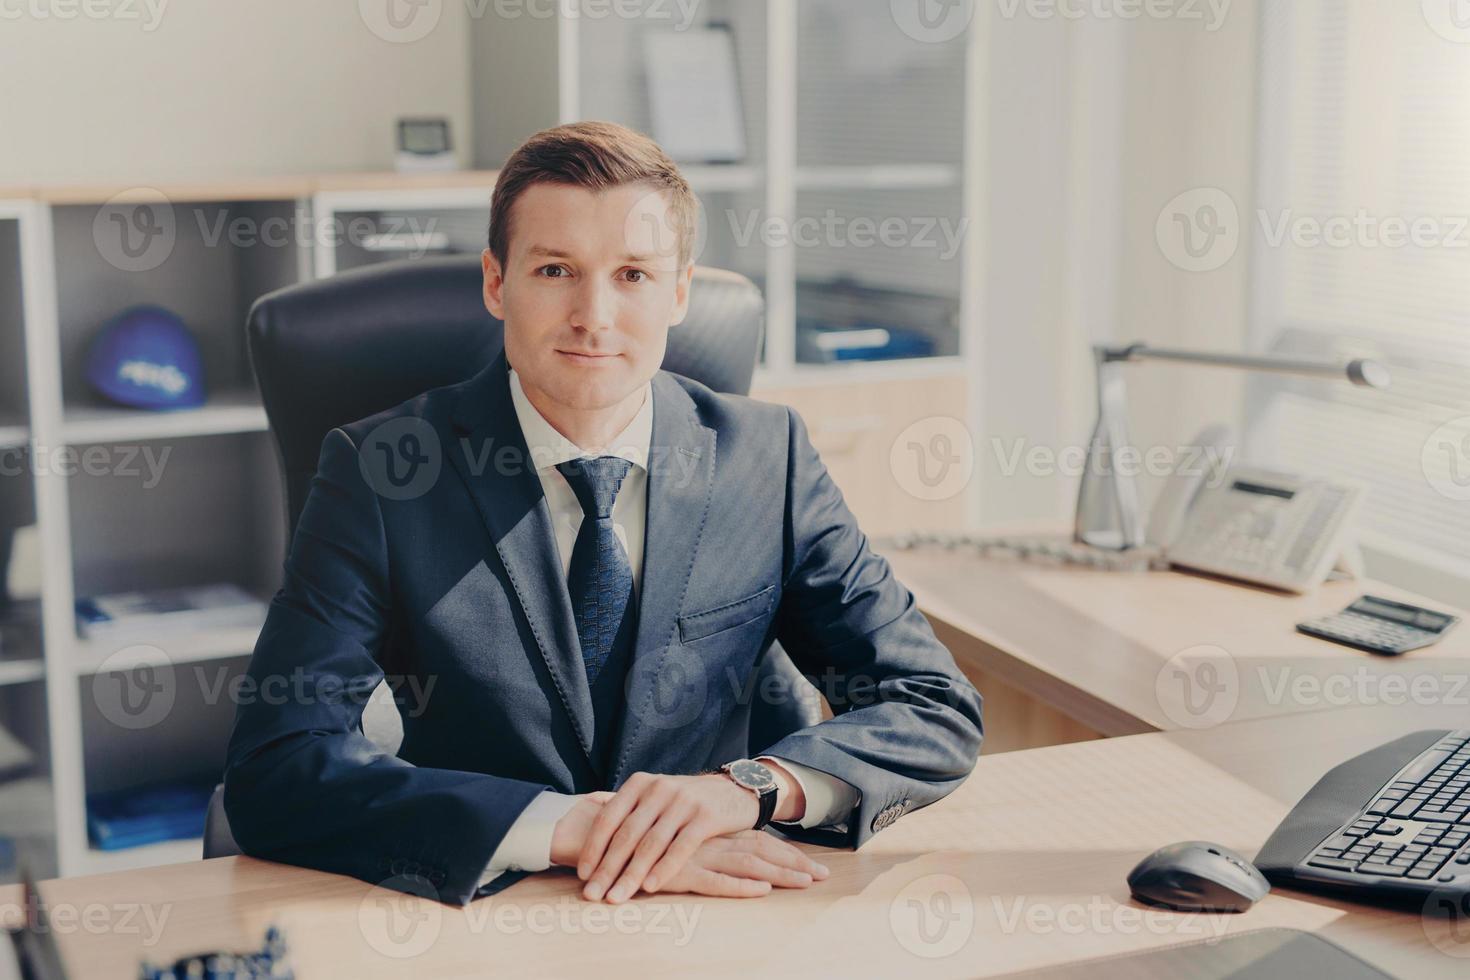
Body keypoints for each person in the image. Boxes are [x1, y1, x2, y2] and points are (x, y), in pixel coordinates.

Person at [224, 120, 984, 907]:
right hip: (499, 914)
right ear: (496, 282)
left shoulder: (769, 457)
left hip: (728, 909)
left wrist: (745, 789)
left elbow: (931, 705)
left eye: (632, 275)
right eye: (556, 270)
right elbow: (275, 765)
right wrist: (572, 829)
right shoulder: (380, 474)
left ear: (679, 292)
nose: (594, 315)